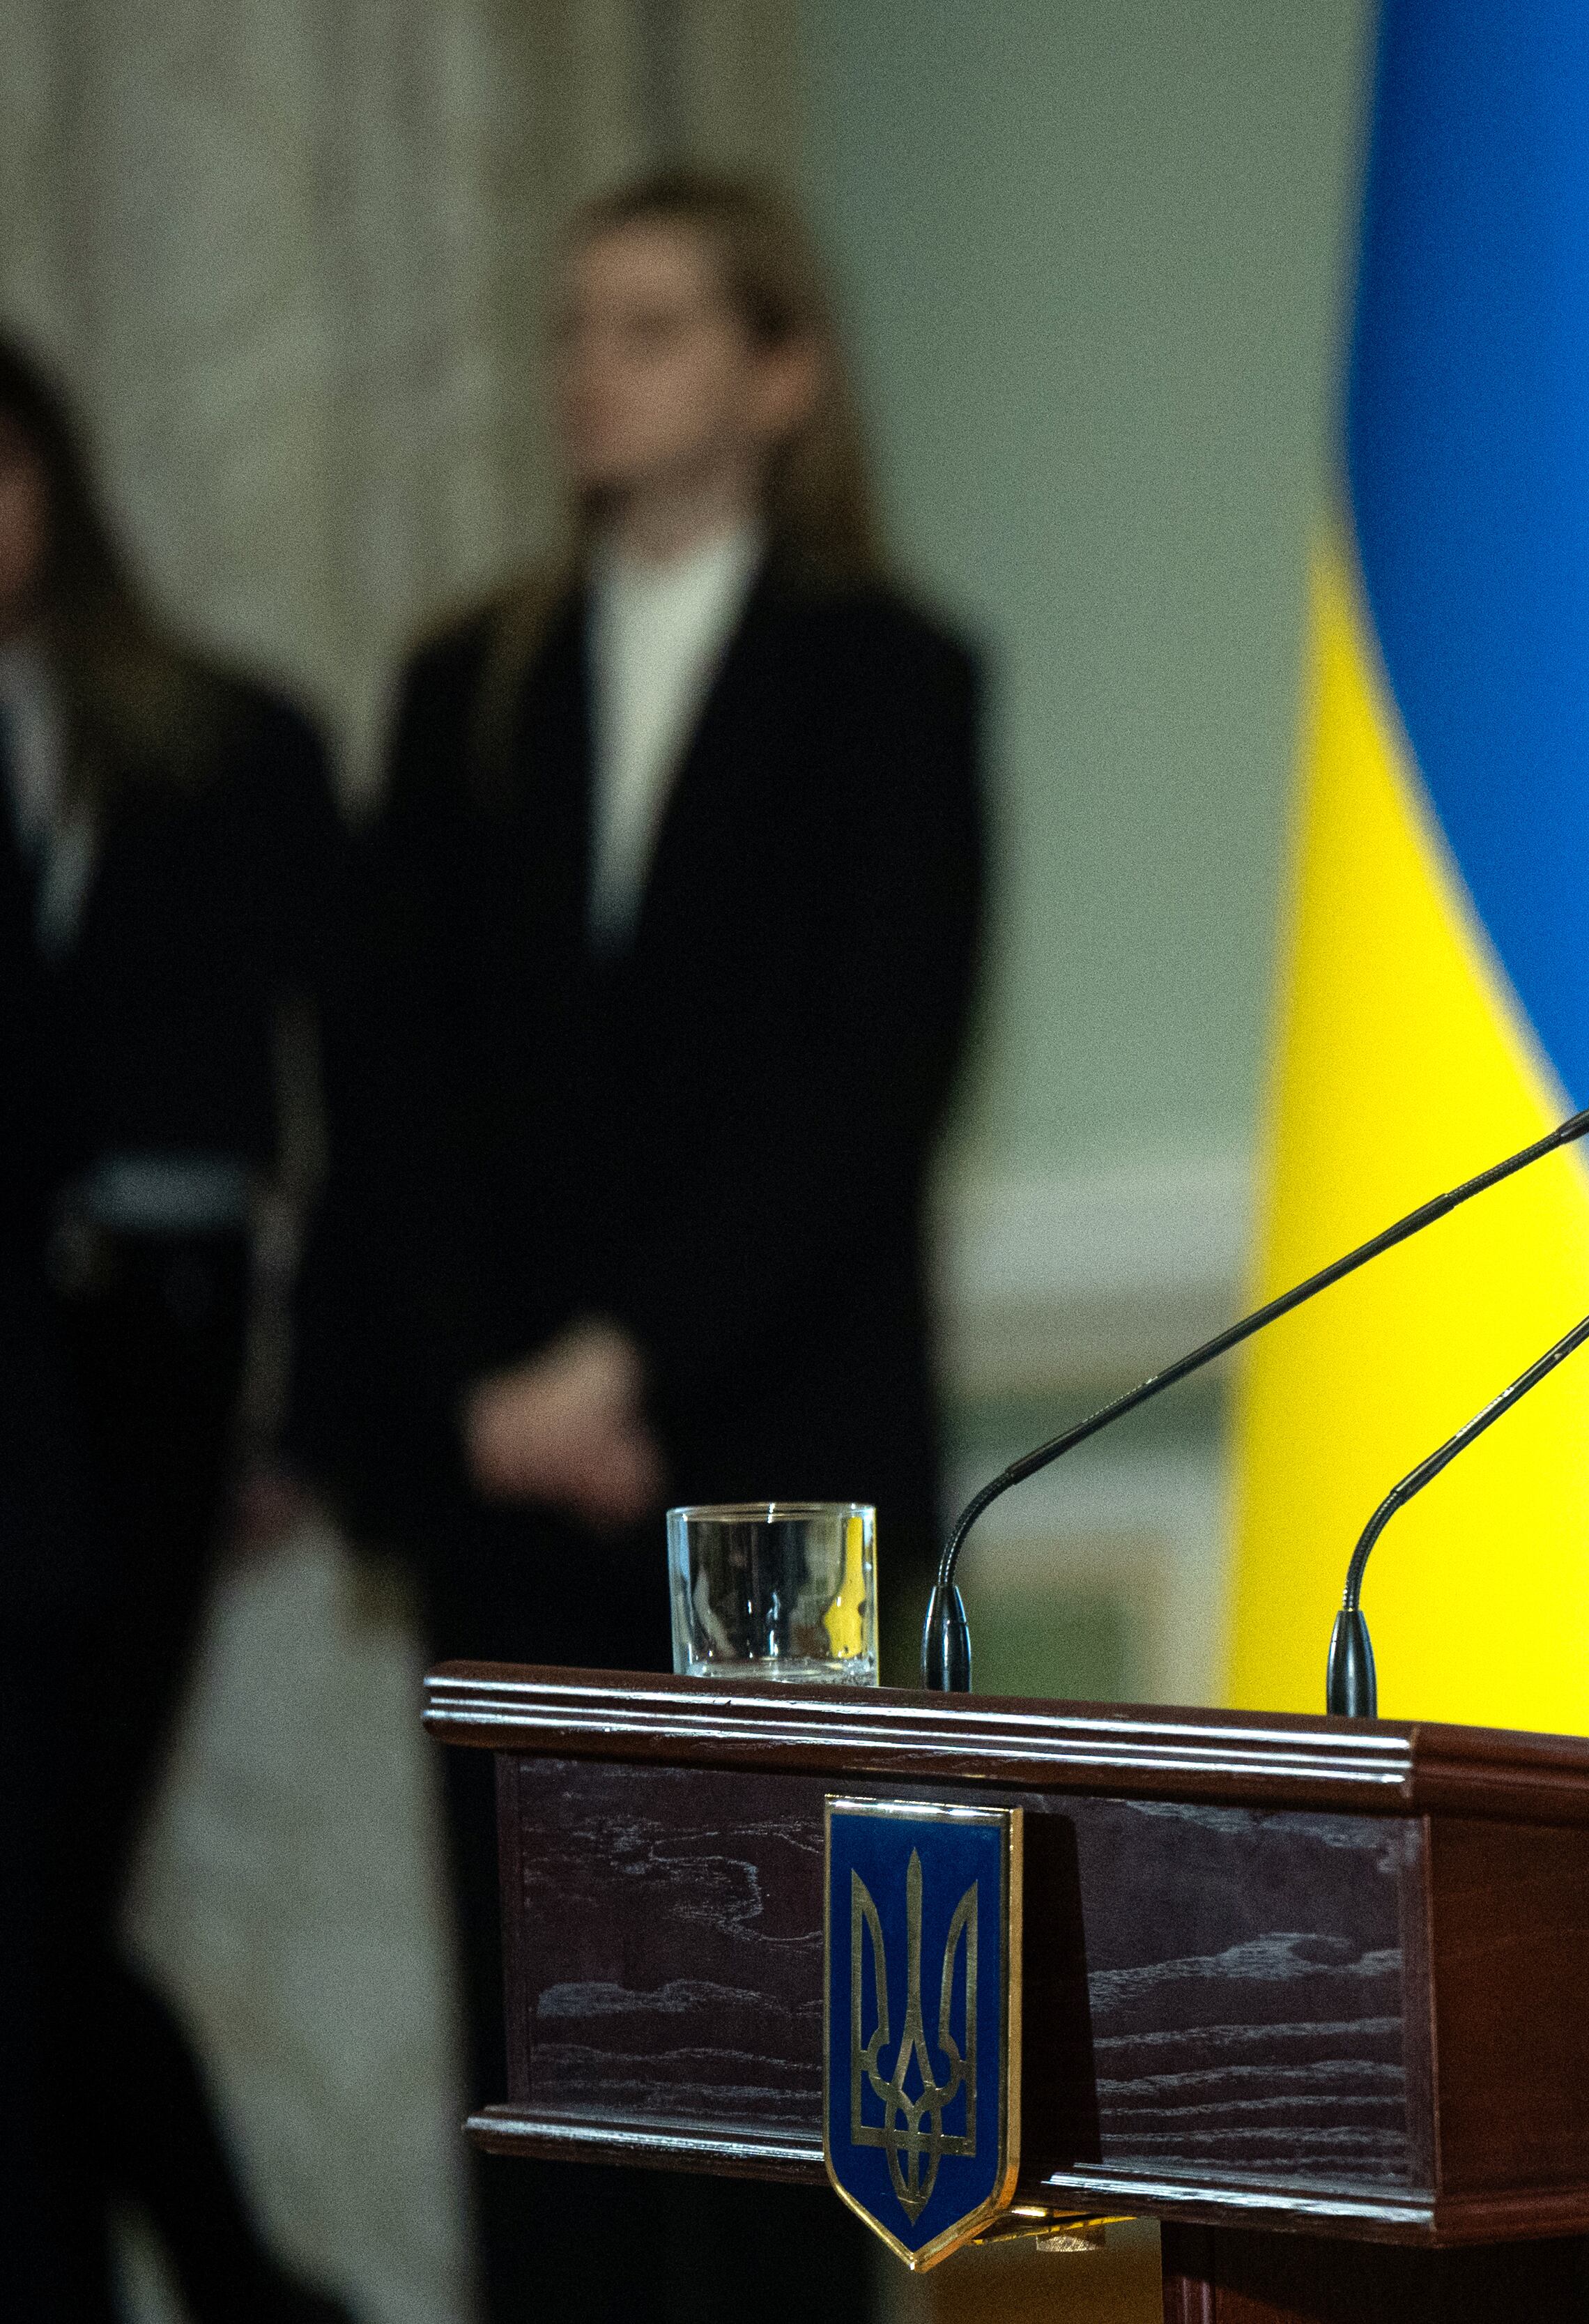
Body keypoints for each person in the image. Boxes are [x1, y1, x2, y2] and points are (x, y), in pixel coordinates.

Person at [295, 171, 985, 2324]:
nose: (592, 370)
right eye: (576, 326)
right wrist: (492, 1388)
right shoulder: (460, 687)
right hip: (507, 1482)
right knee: (556, 2065)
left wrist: (631, 1366)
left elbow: (870, 1085)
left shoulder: (888, 680)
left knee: (794, 2066)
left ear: (779, 376)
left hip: (775, 1461)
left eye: (655, 327)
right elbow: (389, 1085)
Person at [4, 330, 358, 2322]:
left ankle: (229, 2284)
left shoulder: (224, 738)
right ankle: (244, 2288)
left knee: (44, 1896)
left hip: (151, 1356)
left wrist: (311, 1406)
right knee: (33, 1913)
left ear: (58, 486)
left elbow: (366, 1090)